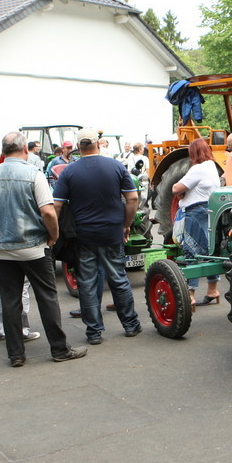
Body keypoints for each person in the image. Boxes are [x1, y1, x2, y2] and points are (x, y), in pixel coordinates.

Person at [0, 131, 86, 367]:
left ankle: (16, 354)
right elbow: (48, 211)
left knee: (10, 301)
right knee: (47, 298)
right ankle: (59, 349)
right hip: (34, 247)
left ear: (3, 151)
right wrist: (53, 236)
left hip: (4, 249)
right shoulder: (33, 174)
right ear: (25, 149)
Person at [53, 128, 142, 344]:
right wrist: (126, 224)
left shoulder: (69, 171)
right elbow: (132, 198)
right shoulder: (116, 166)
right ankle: (130, 325)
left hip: (84, 236)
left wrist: (54, 233)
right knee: (118, 278)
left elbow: (56, 205)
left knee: (87, 283)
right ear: (98, 144)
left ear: (78, 146)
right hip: (112, 232)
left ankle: (94, 332)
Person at [172, 138, 221, 307]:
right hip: (209, 209)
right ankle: (212, 290)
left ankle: (190, 294)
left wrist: (181, 192)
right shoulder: (212, 166)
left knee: (191, 252)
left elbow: (175, 188)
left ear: (193, 153)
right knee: (209, 251)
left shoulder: (197, 169)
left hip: (194, 212)